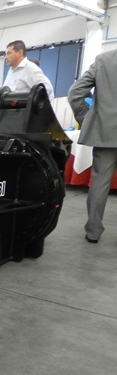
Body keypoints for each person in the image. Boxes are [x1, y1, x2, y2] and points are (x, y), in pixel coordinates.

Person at [68, 50, 117, 243]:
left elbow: (75, 92)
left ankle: (93, 232)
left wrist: (85, 118)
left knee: (100, 184)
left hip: (104, 132)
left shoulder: (103, 60)